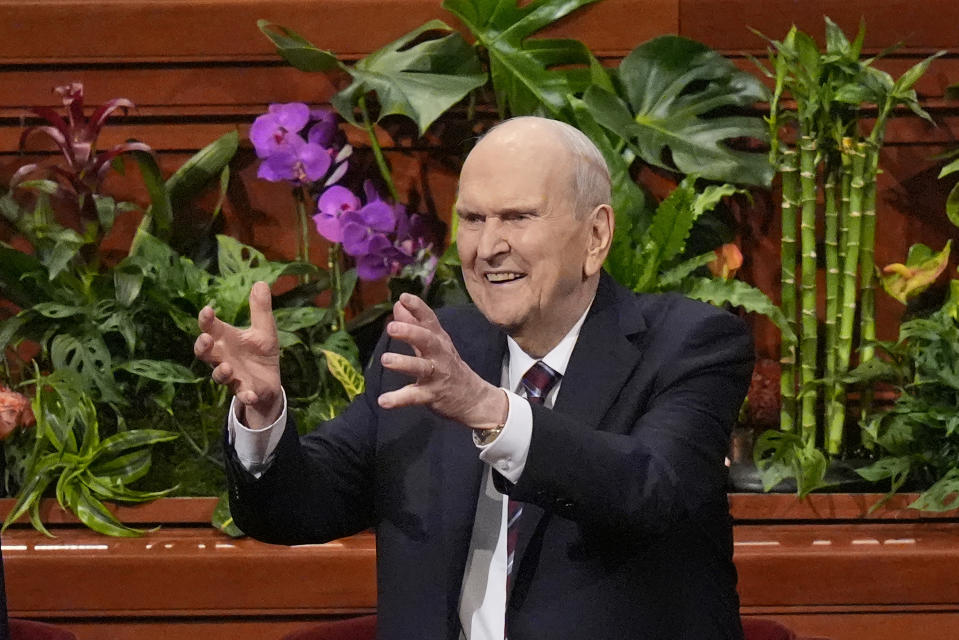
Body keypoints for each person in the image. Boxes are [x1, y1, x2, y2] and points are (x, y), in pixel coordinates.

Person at [194, 116, 754, 640]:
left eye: (517, 217)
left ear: (596, 236)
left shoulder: (689, 345)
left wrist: (490, 410)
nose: (488, 248)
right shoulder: (429, 348)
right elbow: (300, 507)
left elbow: (648, 490)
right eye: (473, 219)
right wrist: (263, 415)